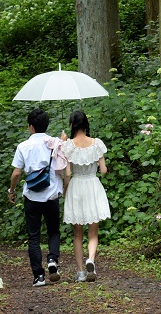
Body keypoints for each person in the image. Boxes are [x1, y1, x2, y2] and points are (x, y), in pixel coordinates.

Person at [8, 108, 63, 287]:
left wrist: (11, 190)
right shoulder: (55, 143)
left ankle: (39, 276)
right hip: (52, 194)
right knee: (54, 231)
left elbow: (16, 173)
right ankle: (53, 260)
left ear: (31, 127)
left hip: (31, 196)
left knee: (34, 237)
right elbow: (62, 167)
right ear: (46, 125)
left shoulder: (23, 146)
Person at [60, 110, 111, 282]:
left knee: (77, 234)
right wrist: (96, 163)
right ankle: (91, 260)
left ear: (72, 125)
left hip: (76, 186)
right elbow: (103, 171)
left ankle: (81, 272)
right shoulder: (97, 143)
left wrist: (65, 190)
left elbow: (67, 173)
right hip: (92, 185)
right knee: (93, 232)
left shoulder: (68, 145)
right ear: (86, 124)